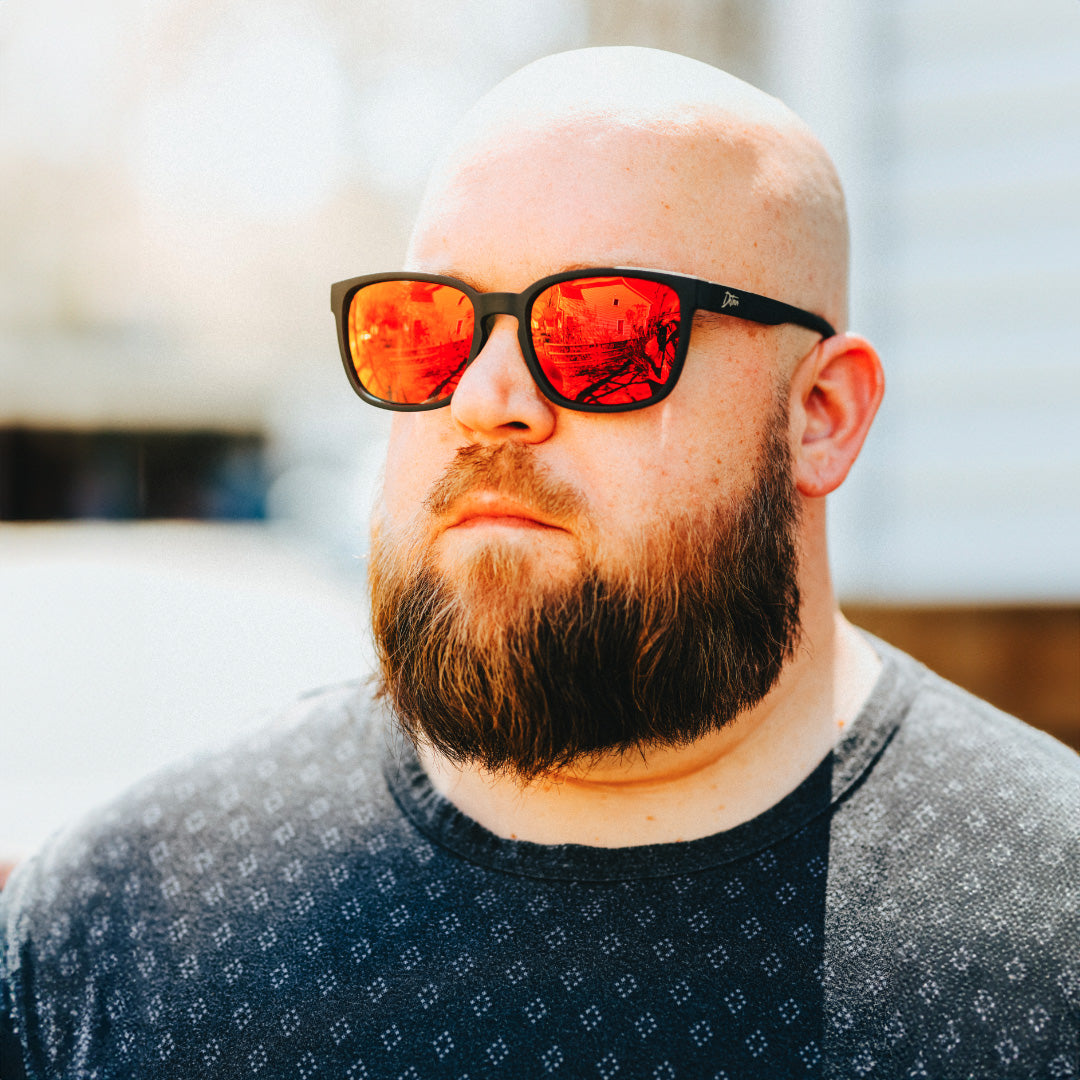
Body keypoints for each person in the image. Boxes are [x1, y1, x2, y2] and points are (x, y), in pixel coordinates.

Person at [2, 47, 1077, 1080]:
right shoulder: (112, 933)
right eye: (425, 329)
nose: (483, 398)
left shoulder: (1046, 925)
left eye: (603, 332)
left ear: (822, 416)